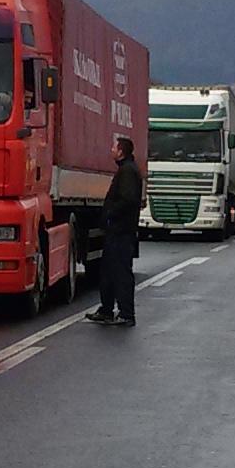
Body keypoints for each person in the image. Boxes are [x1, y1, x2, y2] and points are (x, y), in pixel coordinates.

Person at [91, 135, 143, 325]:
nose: (111, 150)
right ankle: (106, 310)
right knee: (109, 272)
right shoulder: (126, 169)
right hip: (117, 230)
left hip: (121, 231)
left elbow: (127, 199)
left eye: (114, 147)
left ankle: (126, 314)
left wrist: (111, 214)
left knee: (121, 272)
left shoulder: (128, 172)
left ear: (121, 151)